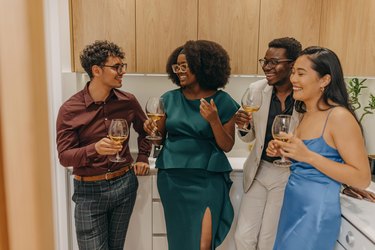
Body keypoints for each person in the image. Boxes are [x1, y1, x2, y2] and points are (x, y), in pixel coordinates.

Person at [267, 46, 371, 250]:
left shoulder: (339, 117)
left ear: (324, 80)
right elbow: (311, 160)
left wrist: (307, 156)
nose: (293, 79)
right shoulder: (305, 115)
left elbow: (362, 177)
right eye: (293, 72)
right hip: (293, 204)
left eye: (301, 73)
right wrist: (286, 152)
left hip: (316, 211)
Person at [144, 40, 240, 250]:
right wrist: (150, 128)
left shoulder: (223, 102)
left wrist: (214, 120)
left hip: (208, 178)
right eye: (176, 66)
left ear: (203, 66)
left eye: (184, 66)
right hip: (172, 177)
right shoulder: (168, 99)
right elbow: (158, 138)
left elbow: (227, 145)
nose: (179, 71)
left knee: (203, 243)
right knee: (180, 240)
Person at [56, 40, 152, 250]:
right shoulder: (70, 109)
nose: (122, 72)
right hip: (88, 192)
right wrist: (95, 149)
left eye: (122, 66)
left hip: (124, 186)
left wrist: (143, 157)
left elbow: (145, 130)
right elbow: (64, 156)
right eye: (116, 67)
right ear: (96, 70)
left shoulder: (128, 101)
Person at [234, 37, 302, 250]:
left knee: (268, 241)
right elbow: (249, 137)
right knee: (243, 237)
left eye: (274, 62)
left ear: (292, 64)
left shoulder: (303, 93)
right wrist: (243, 126)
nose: (266, 67)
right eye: (265, 61)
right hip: (259, 169)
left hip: (288, 172)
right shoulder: (256, 89)